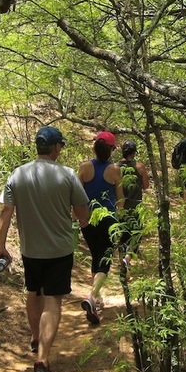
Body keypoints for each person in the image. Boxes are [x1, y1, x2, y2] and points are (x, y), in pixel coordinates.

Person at [0, 125, 89, 372]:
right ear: (56, 147)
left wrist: (0, 247)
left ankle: (35, 336)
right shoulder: (68, 176)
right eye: (61, 145)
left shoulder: (18, 174)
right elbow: (83, 214)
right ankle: (43, 359)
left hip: (30, 249)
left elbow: (5, 212)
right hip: (59, 250)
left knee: (33, 291)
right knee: (52, 300)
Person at [77, 130, 124, 325]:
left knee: (96, 255)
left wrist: (78, 219)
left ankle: (96, 298)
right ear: (112, 149)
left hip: (88, 220)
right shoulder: (115, 170)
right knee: (104, 259)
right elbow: (120, 199)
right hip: (108, 219)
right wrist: (119, 220)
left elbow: (77, 197)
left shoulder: (84, 168)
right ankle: (92, 296)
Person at [117, 139, 150, 263]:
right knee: (136, 233)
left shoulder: (115, 167)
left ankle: (121, 260)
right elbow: (146, 186)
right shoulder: (139, 167)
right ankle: (127, 259)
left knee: (122, 233)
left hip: (120, 206)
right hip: (136, 206)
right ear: (134, 153)